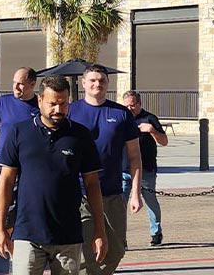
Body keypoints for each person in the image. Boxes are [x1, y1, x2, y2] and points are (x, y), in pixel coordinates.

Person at [0, 75, 107, 275]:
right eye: (52, 104)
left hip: (68, 235)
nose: (58, 109)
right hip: (27, 232)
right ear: (39, 101)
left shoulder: (80, 135)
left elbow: (92, 184)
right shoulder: (19, 132)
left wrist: (100, 230)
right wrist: (0, 228)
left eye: (63, 104)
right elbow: (6, 181)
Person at [69, 64, 142, 275]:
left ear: (108, 84)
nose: (97, 84)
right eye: (92, 80)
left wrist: (135, 193)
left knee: (116, 249)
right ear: (84, 83)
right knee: (84, 251)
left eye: (101, 80)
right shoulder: (71, 111)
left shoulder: (121, 114)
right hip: (79, 194)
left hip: (111, 193)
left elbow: (135, 157)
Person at [0, 67, 39, 230]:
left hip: (31, 169)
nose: (15, 87)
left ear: (32, 84)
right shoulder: (3, 103)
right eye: (14, 83)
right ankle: (8, 246)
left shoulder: (40, 105)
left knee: (30, 213)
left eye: (21, 84)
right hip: (6, 167)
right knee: (5, 213)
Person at [121, 91, 168, 247]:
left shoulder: (149, 118)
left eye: (133, 105)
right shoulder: (122, 118)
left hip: (146, 169)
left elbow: (164, 141)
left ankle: (156, 232)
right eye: (126, 105)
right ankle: (121, 237)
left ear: (140, 104)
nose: (130, 108)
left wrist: (152, 130)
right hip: (124, 170)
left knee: (150, 200)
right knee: (119, 204)